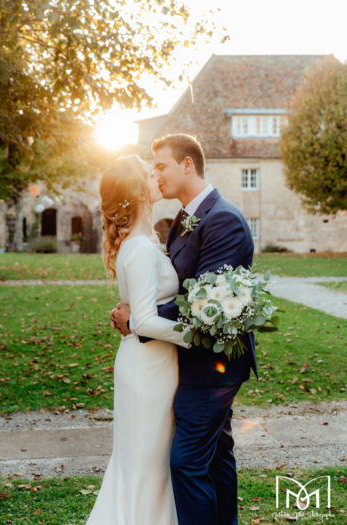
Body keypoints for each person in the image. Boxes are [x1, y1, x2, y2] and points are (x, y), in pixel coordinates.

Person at [112, 134, 258, 525]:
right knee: (215, 456)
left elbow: (206, 308)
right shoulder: (182, 219)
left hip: (213, 367)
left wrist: (138, 319)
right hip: (188, 363)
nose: (155, 174)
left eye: (160, 166)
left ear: (187, 165)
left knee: (186, 463)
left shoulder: (222, 219)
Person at [86, 154, 190, 525]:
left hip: (147, 365)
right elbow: (144, 320)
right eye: (150, 173)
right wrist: (195, 335)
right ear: (137, 192)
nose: (157, 177)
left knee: (144, 465)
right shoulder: (142, 247)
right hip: (148, 371)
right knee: (147, 467)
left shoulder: (143, 240)